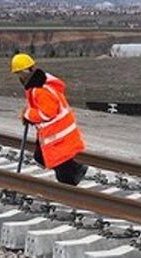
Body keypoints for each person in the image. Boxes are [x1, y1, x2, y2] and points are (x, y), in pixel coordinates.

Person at [11, 53, 88, 185]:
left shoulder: (40, 89)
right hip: (55, 131)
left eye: (20, 73)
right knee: (42, 157)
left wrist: (28, 114)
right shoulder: (40, 84)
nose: (19, 77)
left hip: (57, 132)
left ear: (27, 71)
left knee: (62, 171)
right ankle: (76, 171)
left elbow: (47, 113)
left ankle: (72, 185)